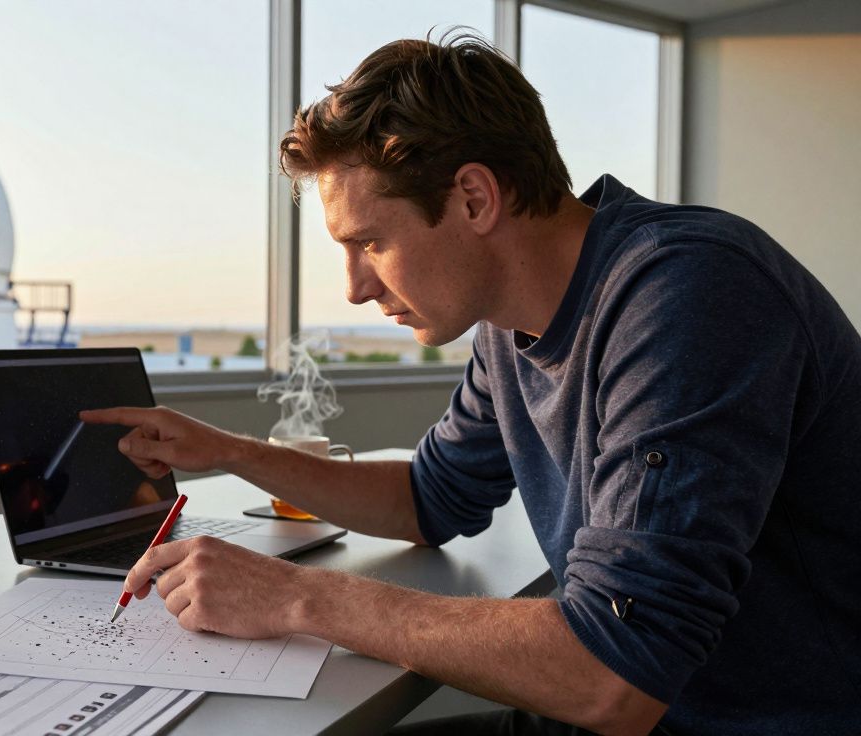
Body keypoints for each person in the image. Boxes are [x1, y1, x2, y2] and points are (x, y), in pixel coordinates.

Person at [80, 31, 861, 735]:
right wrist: (227, 450)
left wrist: (294, 596)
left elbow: (616, 673)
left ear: (475, 198)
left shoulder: (688, 294)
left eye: (371, 242)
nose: (353, 287)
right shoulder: (506, 325)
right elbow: (426, 500)